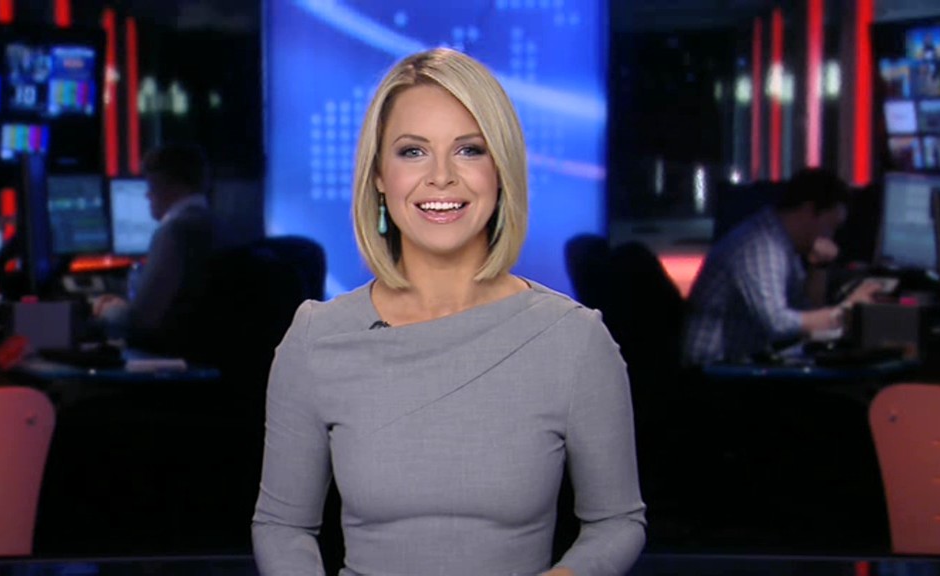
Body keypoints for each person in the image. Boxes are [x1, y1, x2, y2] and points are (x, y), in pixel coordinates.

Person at [252, 48, 646, 575]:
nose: (441, 177)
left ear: (500, 170)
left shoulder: (573, 340)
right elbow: (283, 527)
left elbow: (616, 522)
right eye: (413, 151)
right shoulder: (316, 338)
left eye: (469, 150)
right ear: (378, 176)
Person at [682, 168, 882, 365]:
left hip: (740, 362)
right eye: (830, 226)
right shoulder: (762, 246)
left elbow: (805, 312)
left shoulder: (783, 243)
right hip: (713, 370)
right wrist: (847, 310)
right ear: (808, 211)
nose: (830, 237)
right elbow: (778, 323)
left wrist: (819, 266)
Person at [93, 143, 223, 354]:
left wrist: (105, 308)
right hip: (207, 357)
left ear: (169, 185)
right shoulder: (218, 225)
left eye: (151, 186)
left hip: (169, 358)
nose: (147, 195)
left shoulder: (175, 231)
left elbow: (138, 322)